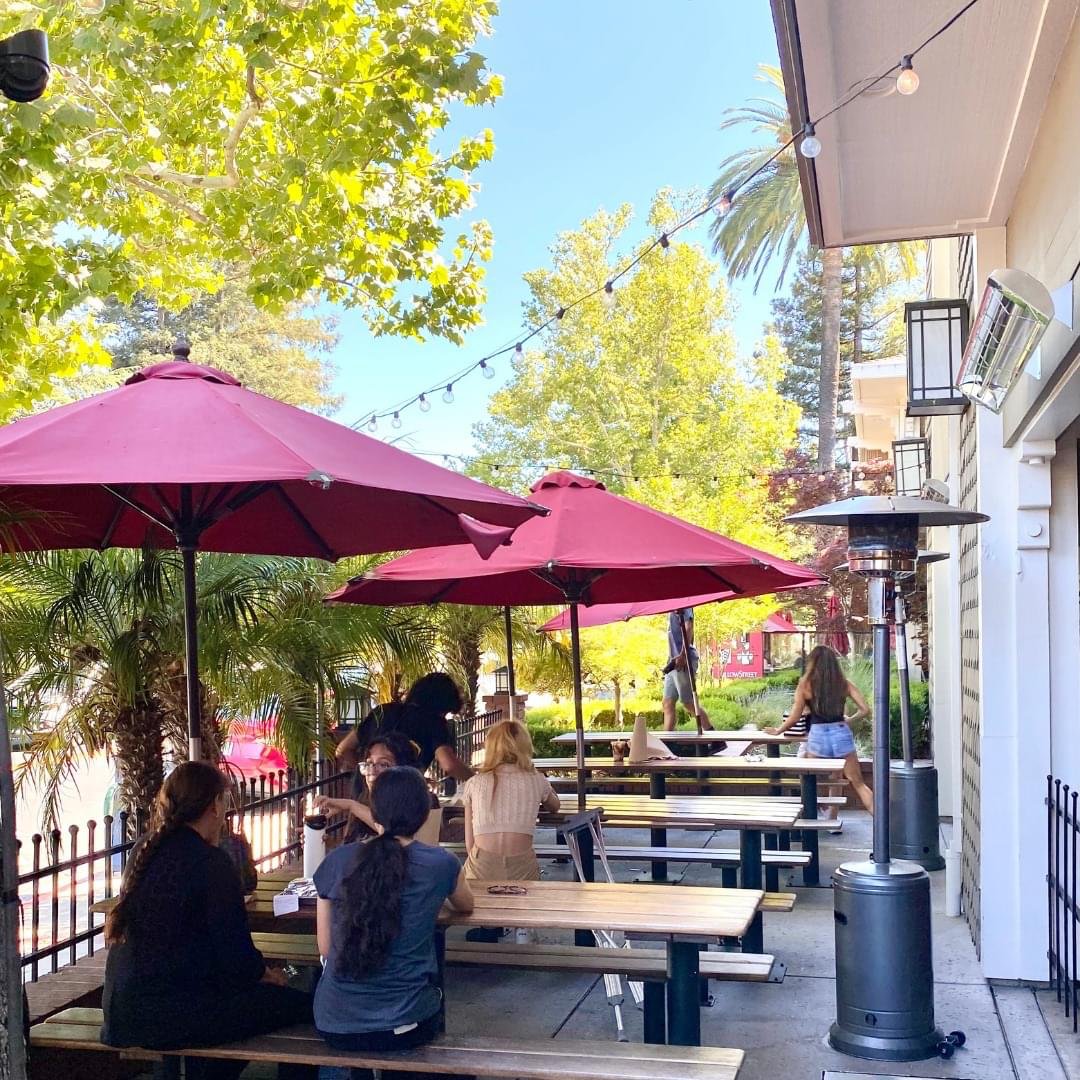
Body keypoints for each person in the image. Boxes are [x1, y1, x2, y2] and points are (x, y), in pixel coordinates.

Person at [102, 762, 313, 1080]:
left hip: (121, 1011)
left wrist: (255, 974)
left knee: (247, 1009)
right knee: (304, 1009)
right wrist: (264, 975)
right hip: (171, 1015)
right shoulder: (212, 863)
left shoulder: (144, 851)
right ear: (214, 805)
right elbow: (236, 958)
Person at [313, 767, 473, 1062]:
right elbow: (465, 905)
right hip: (405, 1022)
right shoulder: (441, 864)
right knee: (433, 998)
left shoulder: (336, 861)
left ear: (374, 813)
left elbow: (325, 949)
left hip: (334, 1022)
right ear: (424, 813)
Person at [767, 644, 874, 815]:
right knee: (859, 784)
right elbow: (865, 709)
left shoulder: (805, 685)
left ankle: (811, 821)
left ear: (812, 663)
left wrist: (778, 730)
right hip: (841, 732)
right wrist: (849, 720)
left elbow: (795, 717)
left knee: (809, 781)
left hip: (817, 735)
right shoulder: (844, 683)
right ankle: (885, 828)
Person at [460, 720, 560, 882]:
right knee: (525, 906)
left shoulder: (475, 783)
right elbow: (555, 806)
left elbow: (469, 842)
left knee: (478, 906)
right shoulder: (536, 779)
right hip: (522, 864)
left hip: (481, 863)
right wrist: (544, 784)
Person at [336, 672, 472, 783]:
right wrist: (477, 780)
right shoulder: (434, 722)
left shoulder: (382, 711)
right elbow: (449, 764)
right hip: (402, 799)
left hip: (366, 797)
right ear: (441, 705)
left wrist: (367, 774)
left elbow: (342, 750)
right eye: (445, 712)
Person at [316, 730, 436, 842]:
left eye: (383, 764)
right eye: (368, 763)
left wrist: (351, 806)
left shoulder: (421, 806)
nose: (372, 770)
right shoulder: (363, 803)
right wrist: (322, 842)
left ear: (404, 770)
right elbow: (355, 851)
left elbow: (400, 840)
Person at [662, 607, 713, 731]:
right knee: (667, 703)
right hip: (673, 661)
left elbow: (689, 626)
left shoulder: (684, 603)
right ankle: (667, 742)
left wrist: (683, 655)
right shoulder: (670, 605)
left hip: (683, 659)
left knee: (688, 702)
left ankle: (715, 739)